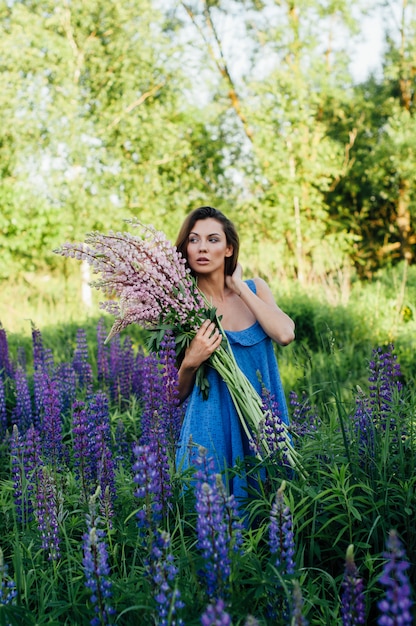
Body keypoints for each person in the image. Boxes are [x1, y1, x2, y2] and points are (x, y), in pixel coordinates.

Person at [175, 206, 295, 500]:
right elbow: (173, 395)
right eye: (194, 240)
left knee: (275, 511)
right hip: (212, 429)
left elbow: (285, 334)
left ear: (229, 249)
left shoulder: (255, 288)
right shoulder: (180, 306)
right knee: (214, 524)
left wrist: (239, 287)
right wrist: (191, 361)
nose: (202, 247)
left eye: (213, 239)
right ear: (185, 249)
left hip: (267, 422)